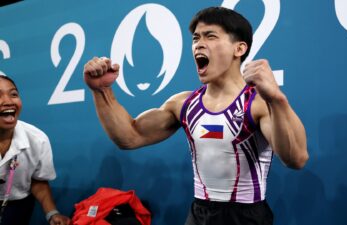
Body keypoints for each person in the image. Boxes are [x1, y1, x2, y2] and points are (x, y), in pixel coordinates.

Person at [83, 6, 308, 225]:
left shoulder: (257, 103)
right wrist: (102, 91)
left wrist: (276, 99)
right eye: (196, 38)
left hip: (246, 217)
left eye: (210, 36)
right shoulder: (184, 104)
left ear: (239, 49)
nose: (199, 44)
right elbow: (129, 137)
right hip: (199, 214)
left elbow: (296, 158)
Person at [0, 75, 70, 225]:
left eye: (13, 94)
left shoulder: (37, 139)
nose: (8, 101)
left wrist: (52, 213)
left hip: (17, 207)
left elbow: (38, 181)